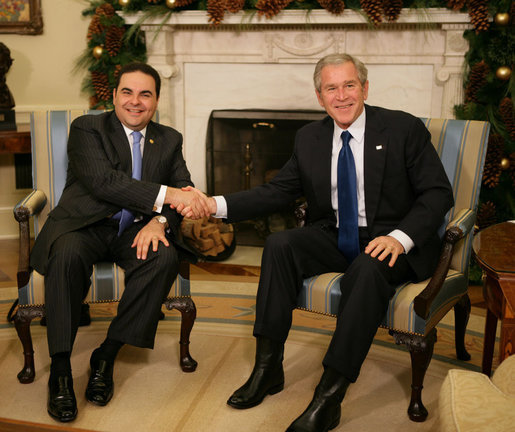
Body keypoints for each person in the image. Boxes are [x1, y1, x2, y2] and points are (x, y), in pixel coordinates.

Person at [187, 53, 454, 431]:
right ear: (319, 96)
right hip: (337, 233)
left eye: (349, 85)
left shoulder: (402, 129)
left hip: (391, 241)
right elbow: (277, 192)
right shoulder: (310, 137)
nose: (341, 96)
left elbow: (437, 194)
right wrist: (215, 204)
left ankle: (330, 394)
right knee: (281, 245)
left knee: (367, 266)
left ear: (364, 88)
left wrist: (400, 238)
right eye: (332, 88)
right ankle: (268, 368)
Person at [30, 62, 210, 422]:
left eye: (145, 94)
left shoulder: (169, 139)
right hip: (84, 225)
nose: (135, 101)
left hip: (136, 230)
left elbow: (183, 192)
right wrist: (168, 195)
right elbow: (104, 183)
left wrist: (160, 222)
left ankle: (106, 355)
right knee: (65, 256)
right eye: (127, 92)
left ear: (157, 100)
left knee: (162, 258)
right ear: (114, 96)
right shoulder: (88, 128)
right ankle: (61, 371)